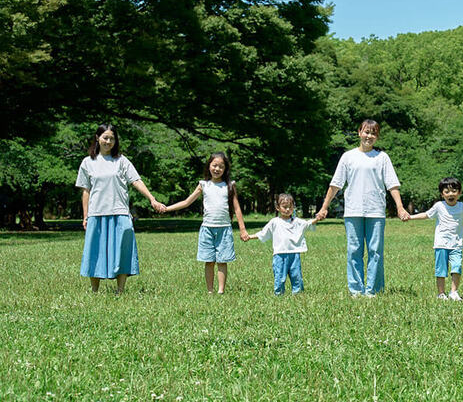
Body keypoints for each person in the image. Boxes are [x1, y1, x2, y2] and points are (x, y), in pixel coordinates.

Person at [315, 119, 410, 297]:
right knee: (354, 251)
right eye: (366, 132)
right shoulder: (348, 157)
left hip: (376, 211)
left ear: (377, 137)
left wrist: (400, 207)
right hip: (353, 211)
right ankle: (356, 290)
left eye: (373, 133)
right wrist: (324, 207)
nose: (369, 136)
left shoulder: (382, 158)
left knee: (375, 251)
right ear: (359, 132)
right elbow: (336, 184)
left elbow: (392, 185)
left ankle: (373, 290)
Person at [75, 124, 166, 293]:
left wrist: (152, 199)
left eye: (112, 138)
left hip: (120, 212)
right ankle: (94, 290)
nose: (108, 141)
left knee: (122, 251)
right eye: (105, 137)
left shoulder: (121, 161)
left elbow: (136, 180)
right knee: (95, 251)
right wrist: (86, 215)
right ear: (97, 138)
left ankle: (120, 290)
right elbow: (85, 191)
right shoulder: (88, 162)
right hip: (97, 213)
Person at [402, 177, 463, 300]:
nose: (451, 194)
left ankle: (453, 292)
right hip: (441, 245)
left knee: (456, 267)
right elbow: (426, 215)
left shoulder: (462, 207)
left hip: (456, 245)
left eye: (454, 191)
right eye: (447, 191)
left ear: (459, 193)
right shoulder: (439, 206)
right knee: (441, 270)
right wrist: (410, 217)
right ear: (442, 194)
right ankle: (441, 293)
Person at [164, 152, 248, 294]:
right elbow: (187, 202)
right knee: (209, 261)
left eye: (221, 166)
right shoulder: (203, 185)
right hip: (207, 229)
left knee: (222, 260)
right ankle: (210, 290)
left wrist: (243, 229)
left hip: (224, 229)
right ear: (209, 166)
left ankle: (221, 291)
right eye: (214, 165)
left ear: (225, 169)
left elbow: (237, 208)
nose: (217, 169)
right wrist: (167, 208)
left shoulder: (229, 185)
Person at [249, 193, 319, 295]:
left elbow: (307, 224)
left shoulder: (296, 221)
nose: (287, 210)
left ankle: (298, 294)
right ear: (278, 207)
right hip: (279, 255)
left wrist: (317, 219)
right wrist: (250, 237)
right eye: (284, 207)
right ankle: (279, 294)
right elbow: (263, 233)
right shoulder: (275, 222)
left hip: (294, 254)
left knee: (296, 276)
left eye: (290, 207)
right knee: (280, 277)